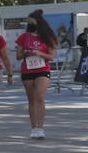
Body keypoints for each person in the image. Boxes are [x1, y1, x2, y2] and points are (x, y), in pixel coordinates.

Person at [16, 9, 57, 139]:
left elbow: (51, 56)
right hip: (28, 69)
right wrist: (26, 53)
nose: (30, 24)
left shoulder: (48, 37)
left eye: (32, 22)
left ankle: (40, 127)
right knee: (32, 99)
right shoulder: (24, 37)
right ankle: (34, 127)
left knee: (40, 97)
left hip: (42, 69)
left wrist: (39, 53)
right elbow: (18, 56)